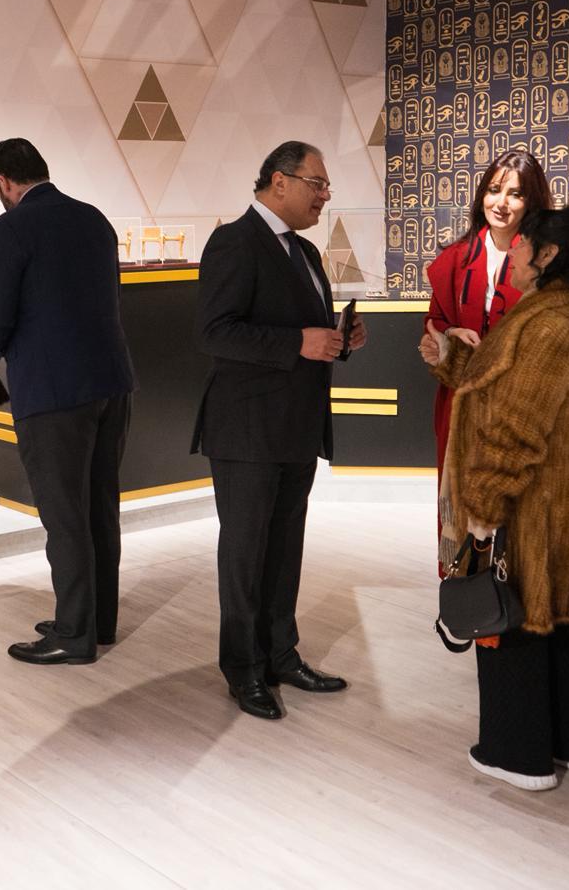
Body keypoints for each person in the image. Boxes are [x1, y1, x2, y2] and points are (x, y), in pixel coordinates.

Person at [420, 200, 569, 791]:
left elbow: (515, 425)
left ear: (548, 254)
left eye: (523, 245)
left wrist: (483, 506)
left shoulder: (547, 324)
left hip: (534, 506)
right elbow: (510, 382)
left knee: (516, 614)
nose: (511, 251)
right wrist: (452, 357)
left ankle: (518, 755)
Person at [192, 141, 368, 720]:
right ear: (279, 181)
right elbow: (216, 332)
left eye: (326, 186)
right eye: (317, 183)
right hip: (246, 430)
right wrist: (298, 342)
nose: (324, 195)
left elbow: (307, 334)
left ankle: (280, 655)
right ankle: (243, 668)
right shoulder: (233, 241)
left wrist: (338, 340)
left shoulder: (306, 251)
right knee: (246, 554)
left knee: (285, 549)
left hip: (296, 426)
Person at [0, 138, 135, 666]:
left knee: (65, 516)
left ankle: (73, 634)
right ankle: (97, 620)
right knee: (99, 508)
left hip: (53, 390)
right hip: (111, 382)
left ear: (3, 181)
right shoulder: (94, 220)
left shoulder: (8, 229)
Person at [421, 149, 553, 573]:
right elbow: (433, 324)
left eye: (515, 194)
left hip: (522, 411)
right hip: (462, 406)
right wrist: (448, 336)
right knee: (459, 506)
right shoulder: (454, 259)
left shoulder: (547, 261)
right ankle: (464, 589)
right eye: (494, 190)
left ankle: (516, 594)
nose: (502, 203)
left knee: (519, 514)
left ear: (532, 202)